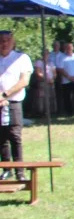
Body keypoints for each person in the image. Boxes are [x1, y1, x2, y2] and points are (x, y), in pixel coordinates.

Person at [0, 31, 33, 181]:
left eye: (7, 40)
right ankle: (6, 169)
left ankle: (20, 171)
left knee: (15, 135)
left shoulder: (21, 58)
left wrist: (5, 94)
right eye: (1, 40)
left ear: (12, 42)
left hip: (14, 102)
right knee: (1, 137)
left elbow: (24, 81)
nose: (4, 43)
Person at [56, 42, 74, 117]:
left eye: (70, 47)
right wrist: (68, 77)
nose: (69, 49)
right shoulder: (61, 57)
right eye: (67, 48)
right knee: (67, 97)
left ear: (73, 48)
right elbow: (60, 69)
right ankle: (69, 112)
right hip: (66, 81)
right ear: (65, 48)